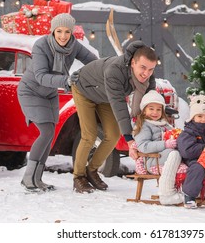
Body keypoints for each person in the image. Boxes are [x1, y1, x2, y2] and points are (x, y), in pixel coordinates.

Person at [17, 13, 98, 192]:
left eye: (67, 32)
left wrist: (103, 70)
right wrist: (66, 80)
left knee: (50, 134)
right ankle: (28, 178)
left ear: (71, 33)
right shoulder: (41, 46)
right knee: (46, 132)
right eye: (59, 31)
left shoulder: (74, 46)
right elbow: (40, 76)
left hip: (50, 93)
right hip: (31, 91)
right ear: (53, 31)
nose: (63, 36)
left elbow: (93, 61)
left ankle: (37, 179)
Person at [70, 40, 158, 193]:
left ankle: (91, 170)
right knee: (89, 135)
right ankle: (78, 177)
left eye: (151, 69)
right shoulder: (115, 71)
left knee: (113, 135)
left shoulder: (148, 76)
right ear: (132, 63)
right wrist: (130, 140)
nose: (146, 73)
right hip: (84, 90)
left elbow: (150, 99)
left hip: (104, 96)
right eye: (143, 68)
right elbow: (119, 106)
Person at [133, 90, 183, 205]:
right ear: (144, 109)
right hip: (152, 160)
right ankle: (167, 193)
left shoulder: (165, 124)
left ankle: (191, 189)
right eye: (151, 108)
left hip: (163, 157)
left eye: (158, 109)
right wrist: (165, 144)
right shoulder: (143, 125)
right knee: (174, 154)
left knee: (189, 153)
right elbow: (143, 146)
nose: (155, 112)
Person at [177, 94, 205, 208]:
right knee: (197, 168)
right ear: (193, 117)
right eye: (199, 116)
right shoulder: (188, 132)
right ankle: (189, 195)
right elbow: (186, 151)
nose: (203, 120)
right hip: (194, 159)